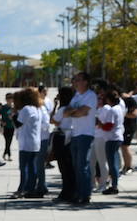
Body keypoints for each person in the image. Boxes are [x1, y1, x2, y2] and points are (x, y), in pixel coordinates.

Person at [63, 72, 98, 204]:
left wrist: (74, 111)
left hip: (85, 134)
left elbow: (82, 112)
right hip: (75, 134)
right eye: (75, 80)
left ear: (85, 82)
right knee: (76, 166)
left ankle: (85, 194)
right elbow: (67, 113)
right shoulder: (77, 96)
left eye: (78, 80)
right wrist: (74, 111)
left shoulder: (90, 96)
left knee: (83, 165)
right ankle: (78, 192)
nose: (75, 82)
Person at [11, 87, 43, 199]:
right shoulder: (37, 109)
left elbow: (18, 124)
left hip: (26, 143)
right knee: (32, 168)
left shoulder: (26, 109)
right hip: (35, 142)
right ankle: (30, 189)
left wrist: (13, 114)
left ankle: (22, 189)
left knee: (24, 168)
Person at [94, 84, 123, 195]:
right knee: (113, 162)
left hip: (111, 138)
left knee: (112, 163)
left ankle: (114, 186)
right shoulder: (119, 108)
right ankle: (114, 184)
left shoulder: (112, 110)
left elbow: (108, 126)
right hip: (117, 136)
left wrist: (99, 123)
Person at [49, 86, 76, 202]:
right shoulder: (74, 107)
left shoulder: (63, 109)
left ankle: (66, 192)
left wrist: (55, 105)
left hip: (62, 136)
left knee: (64, 166)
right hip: (71, 136)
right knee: (69, 166)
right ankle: (71, 190)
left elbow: (53, 120)